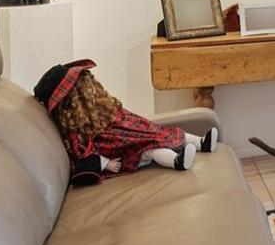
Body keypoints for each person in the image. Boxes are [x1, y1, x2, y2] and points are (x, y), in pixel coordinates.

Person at [34, 60, 219, 186]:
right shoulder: (77, 130)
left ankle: (201, 142)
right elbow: (83, 156)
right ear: (74, 100)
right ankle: (177, 162)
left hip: (134, 139)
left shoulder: (102, 109)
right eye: (85, 87)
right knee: (151, 149)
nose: (91, 88)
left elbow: (127, 119)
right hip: (126, 153)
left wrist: (144, 128)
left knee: (163, 133)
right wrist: (106, 163)